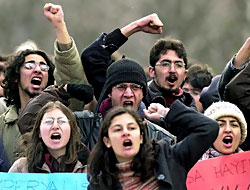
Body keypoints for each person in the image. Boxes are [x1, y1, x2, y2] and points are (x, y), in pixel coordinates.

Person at [18, 58, 176, 151]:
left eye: (135, 88)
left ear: (143, 94)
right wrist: (61, 92)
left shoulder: (161, 138)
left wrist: (172, 113)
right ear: (109, 92)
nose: (128, 93)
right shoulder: (84, 125)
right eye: (121, 87)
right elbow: (28, 123)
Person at [0, 3, 90, 164]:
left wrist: (60, 26)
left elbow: (71, 75)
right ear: (15, 77)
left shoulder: (65, 111)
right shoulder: (3, 122)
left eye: (43, 66)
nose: (37, 70)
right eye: (29, 66)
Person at [87, 101, 219, 189]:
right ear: (107, 141)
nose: (125, 133)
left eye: (132, 128)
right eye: (118, 129)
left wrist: (167, 114)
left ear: (141, 137)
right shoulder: (99, 185)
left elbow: (209, 128)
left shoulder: (168, 158)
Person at [81, 14, 196, 111]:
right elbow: (92, 57)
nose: (172, 70)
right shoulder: (130, 96)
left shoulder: (192, 109)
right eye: (165, 64)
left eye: (178, 65)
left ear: (185, 74)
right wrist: (136, 26)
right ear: (151, 71)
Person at [9, 101, 86, 173]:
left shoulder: (88, 168)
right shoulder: (21, 168)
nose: (55, 126)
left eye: (61, 121)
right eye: (49, 122)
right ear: (39, 132)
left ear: (71, 130)